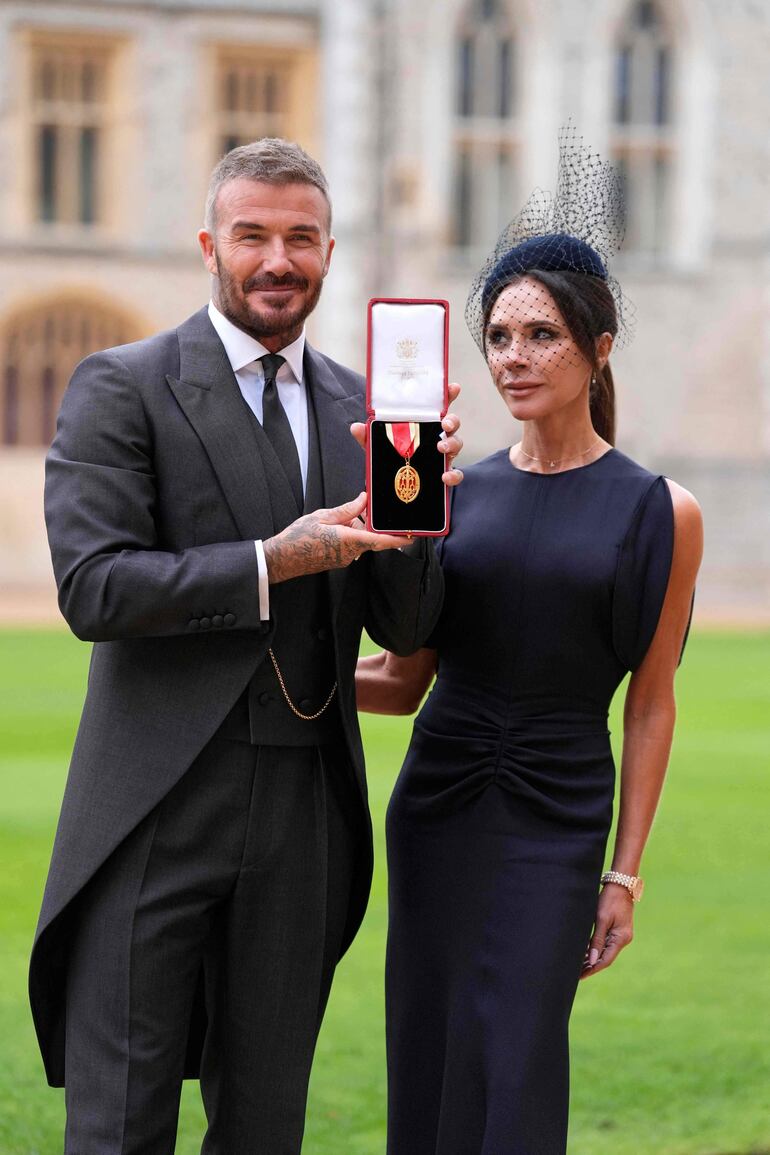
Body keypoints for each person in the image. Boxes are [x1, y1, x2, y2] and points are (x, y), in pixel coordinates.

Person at [29, 137, 463, 1153]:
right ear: (208, 245)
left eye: (301, 238)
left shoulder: (364, 405)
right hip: (157, 799)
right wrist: (273, 562)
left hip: (304, 807)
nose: (278, 259)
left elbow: (404, 628)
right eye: (253, 235)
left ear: (327, 250)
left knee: (266, 1122)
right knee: (122, 1119)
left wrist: (421, 515)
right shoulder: (122, 384)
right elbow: (94, 587)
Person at [356, 132, 703, 1154]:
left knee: (517, 1057)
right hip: (437, 803)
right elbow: (404, 679)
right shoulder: (448, 496)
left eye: (540, 335)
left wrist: (623, 874)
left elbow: (648, 703)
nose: (511, 357)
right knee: (425, 1046)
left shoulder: (660, 511)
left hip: (558, 815)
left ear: (597, 348)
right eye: (497, 337)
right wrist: (284, 665)